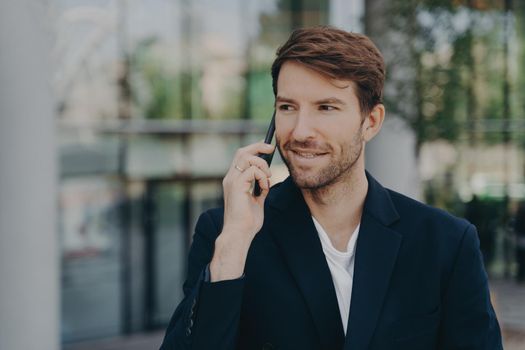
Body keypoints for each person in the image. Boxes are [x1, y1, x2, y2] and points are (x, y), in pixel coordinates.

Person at [160, 26, 502, 349]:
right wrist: (234, 244)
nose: (301, 131)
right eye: (287, 107)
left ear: (371, 122)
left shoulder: (445, 243)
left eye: (326, 108)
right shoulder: (226, 235)